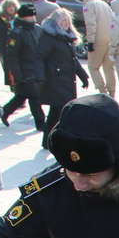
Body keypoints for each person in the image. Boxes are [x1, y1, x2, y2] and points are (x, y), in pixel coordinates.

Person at [35, 8, 89, 149]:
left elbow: (73, 60)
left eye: (67, 20)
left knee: (55, 113)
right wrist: (39, 77)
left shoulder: (66, 37)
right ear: (56, 22)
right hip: (55, 81)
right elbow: (39, 57)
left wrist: (83, 76)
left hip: (64, 81)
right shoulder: (49, 38)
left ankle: (47, 142)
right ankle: (67, 142)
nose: (66, 23)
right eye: (62, 20)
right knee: (65, 113)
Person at [1, 4, 45, 131]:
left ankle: (4, 112)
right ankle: (41, 123)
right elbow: (12, 56)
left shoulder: (37, 29)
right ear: (22, 17)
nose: (33, 18)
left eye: (33, 15)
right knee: (34, 96)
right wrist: (17, 74)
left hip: (36, 68)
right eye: (30, 16)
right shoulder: (16, 33)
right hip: (24, 69)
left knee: (21, 96)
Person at [80, 0, 114, 99]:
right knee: (108, 68)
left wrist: (90, 41)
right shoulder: (104, 4)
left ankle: (103, 92)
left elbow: (91, 24)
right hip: (109, 39)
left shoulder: (88, 5)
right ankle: (112, 94)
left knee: (93, 67)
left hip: (97, 40)